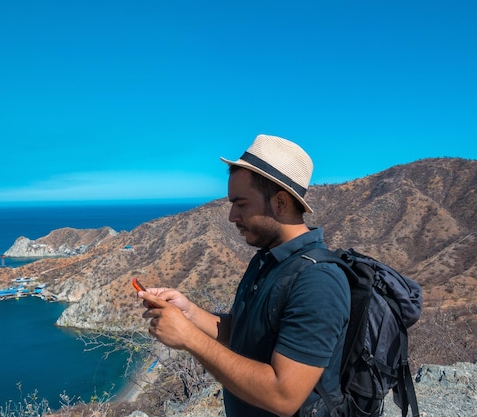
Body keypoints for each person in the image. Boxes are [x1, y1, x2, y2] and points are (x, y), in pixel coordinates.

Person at [139, 134, 350, 417]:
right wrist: (188, 312)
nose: (231, 216)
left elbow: (283, 396)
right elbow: (242, 334)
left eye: (241, 204)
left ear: (281, 203)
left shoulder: (318, 281)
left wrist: (189, 338)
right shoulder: (267, 259)